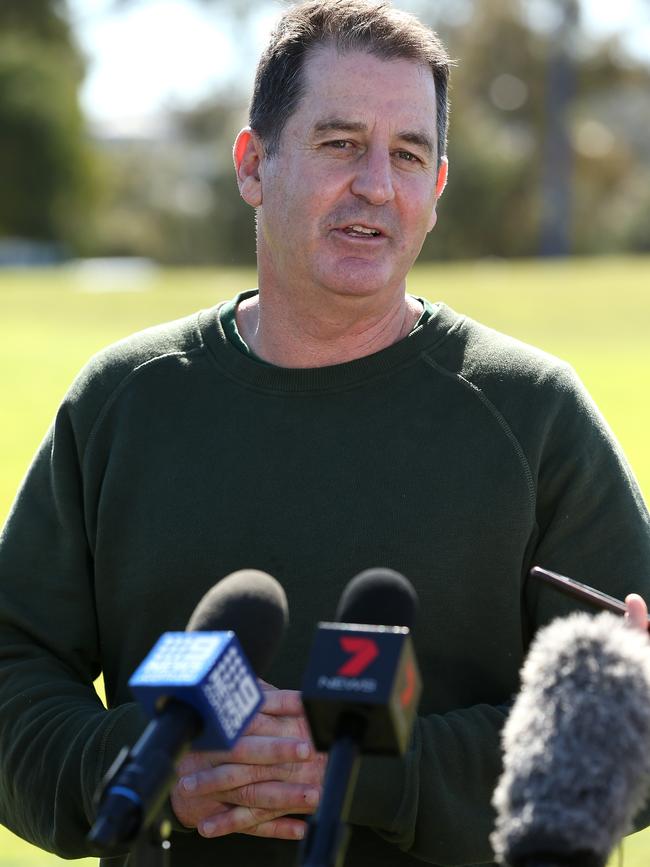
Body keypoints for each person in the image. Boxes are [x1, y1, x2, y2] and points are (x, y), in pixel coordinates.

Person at [1, 1, 649, 865]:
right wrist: (150, 769)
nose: (378, 183)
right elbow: (12, 673)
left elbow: (629, 713)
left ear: (437, 189)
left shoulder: (533, 414)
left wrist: (371, 776)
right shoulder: (124, 402)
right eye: (341, 142)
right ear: (253, 164)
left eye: (408, 154)